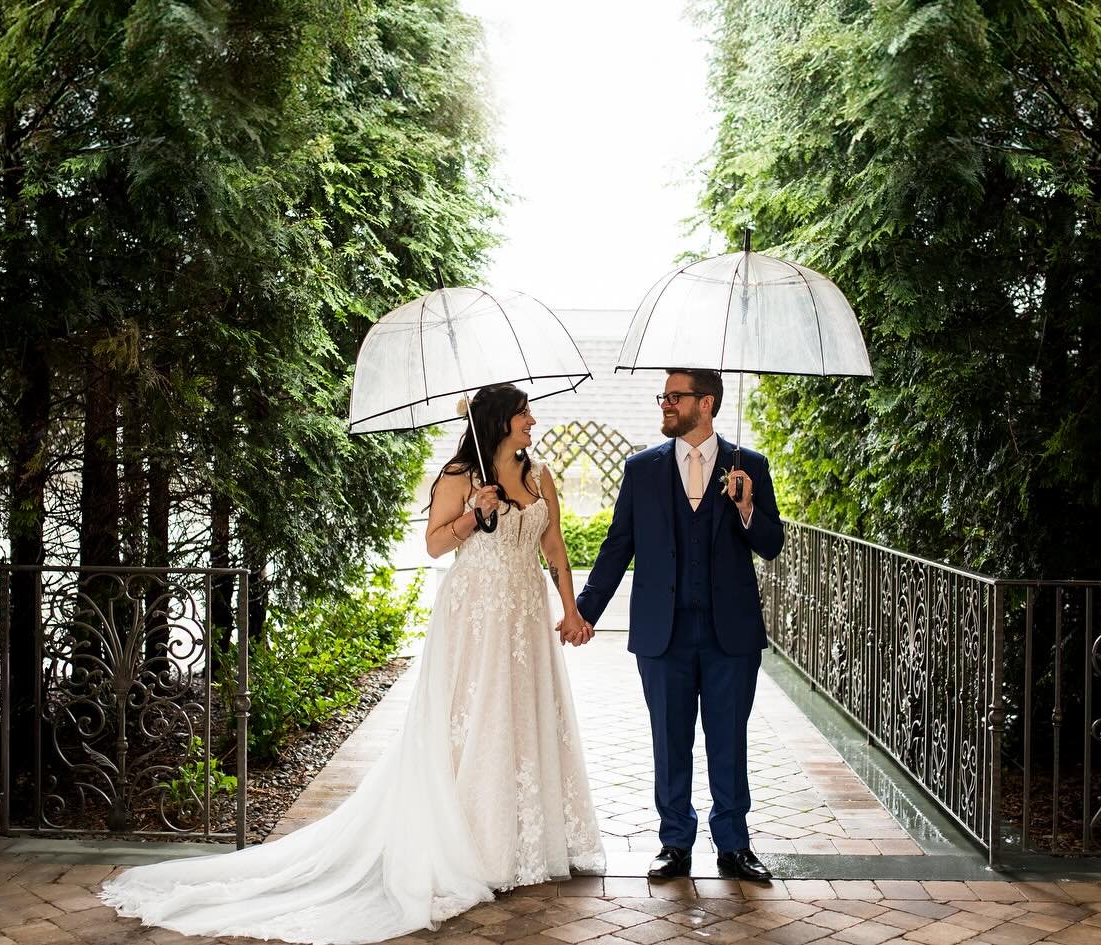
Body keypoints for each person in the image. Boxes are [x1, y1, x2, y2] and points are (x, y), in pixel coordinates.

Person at [101, 383, 604, 944]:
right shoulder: (459, 477)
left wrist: (571, 611)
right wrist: (472, 514)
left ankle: (527, 840)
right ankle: (479, 844)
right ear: (500, 421)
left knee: (524, 714)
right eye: (523, 413)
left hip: (524, 612)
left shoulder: (540, 477)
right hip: (476, 617)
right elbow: (436, 546)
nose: (532, 421)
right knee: (476, 718)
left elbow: (554, 546)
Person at [575, 369, 783, 882]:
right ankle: (675, 843)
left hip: (729, 634)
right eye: (663, 396)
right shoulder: (641, 468)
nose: (665, 404)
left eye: (675, 396)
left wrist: (747, 505)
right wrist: (585, 610)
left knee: (728, 739)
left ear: (705, 403)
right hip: (661, 632)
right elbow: (618, 545)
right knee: (668, 739)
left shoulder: (748, 465)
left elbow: (771, 544)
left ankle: (734, 845)